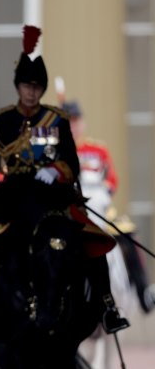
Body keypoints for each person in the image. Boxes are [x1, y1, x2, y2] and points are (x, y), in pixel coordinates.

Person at [0, 25, 129, 334]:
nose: (32, 91)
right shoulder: (0, 121)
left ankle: (108, 306)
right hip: (12, 196)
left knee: (92, 238)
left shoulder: (57, 121)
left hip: (51, 196)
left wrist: (57, 170)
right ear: (18, 86)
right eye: (27, 85)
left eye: (38, 86)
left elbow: (73, 163)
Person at [65, 100, 155, 314]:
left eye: (77, 121)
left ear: (83, 123)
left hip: (100, 207)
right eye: (69, 122)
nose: (74, 127)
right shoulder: (60, 152)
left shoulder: (98, 149)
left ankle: (144, 293)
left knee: (129, 235)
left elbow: (113, 179)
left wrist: (103, 189)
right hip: (71, 211)